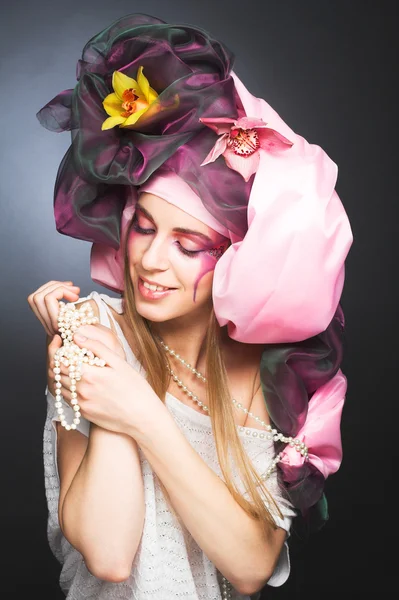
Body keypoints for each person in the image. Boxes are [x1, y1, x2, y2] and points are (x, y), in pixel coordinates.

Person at [27, 12, 353, 600]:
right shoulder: (92, 335)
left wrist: (140, 411)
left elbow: (252, 567)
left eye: (188, 245)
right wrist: (110, 374)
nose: (151, 262)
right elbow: (107, 554)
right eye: (143, 227)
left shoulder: (271, 369)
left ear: (238, 256)